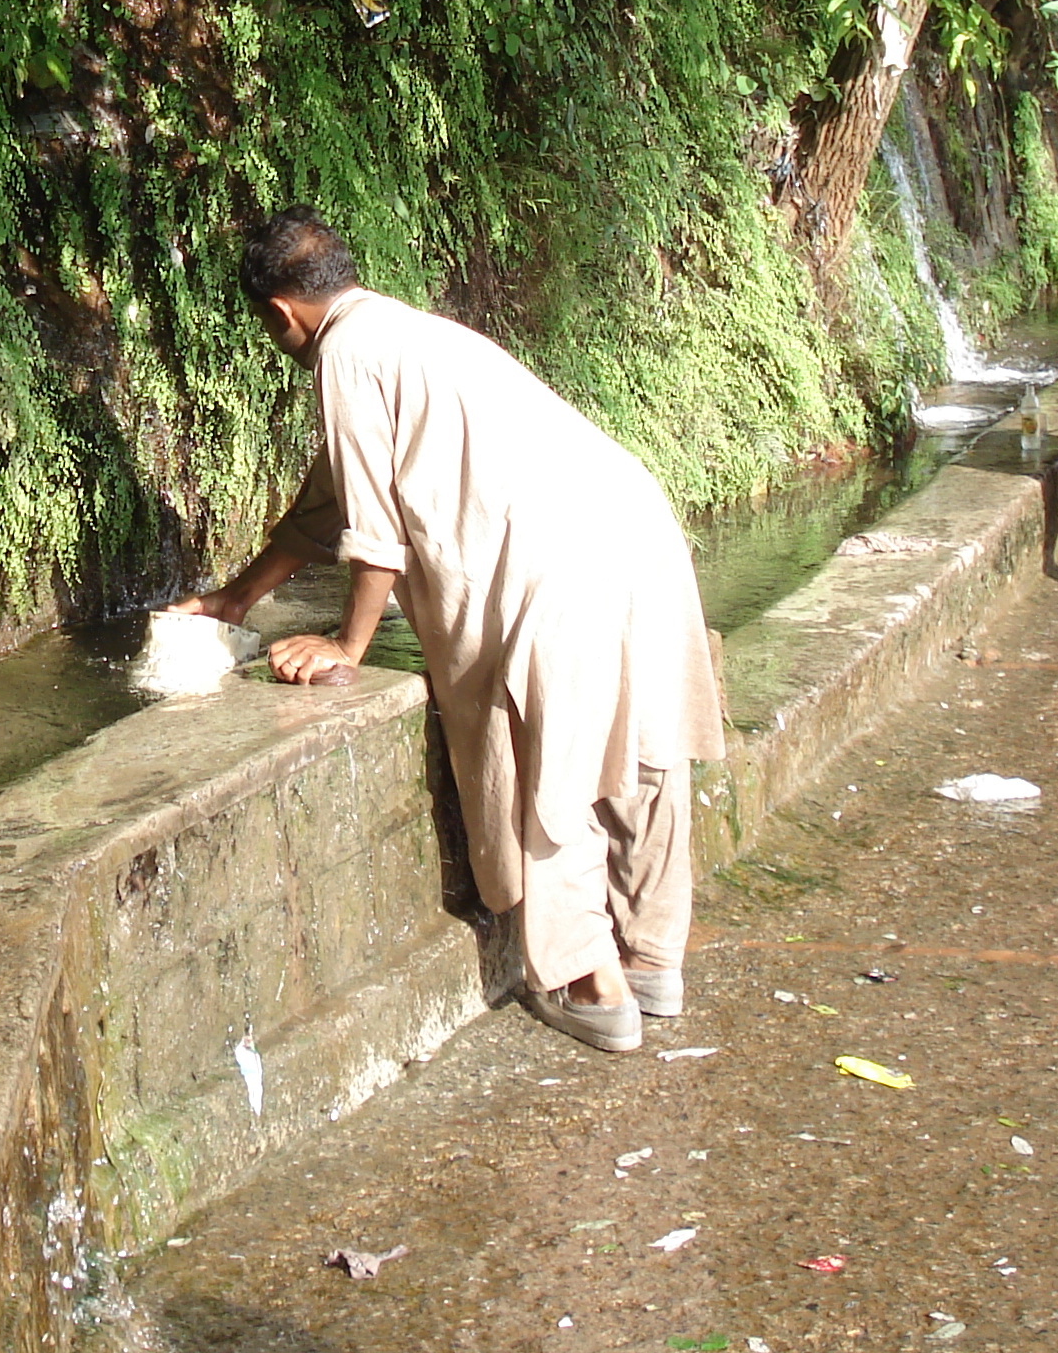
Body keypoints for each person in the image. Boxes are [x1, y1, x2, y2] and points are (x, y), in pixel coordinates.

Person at [169, 207, 725, 1055]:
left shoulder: (345, 358)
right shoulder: (408, 331)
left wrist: (347, 646)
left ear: (281, 313)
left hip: (556, 562)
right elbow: (327, 501)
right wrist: (237, 598)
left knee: (551, 766)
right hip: (635, 525)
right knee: (643, 753)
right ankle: (654, 961)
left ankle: (591, 983)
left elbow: (373, 532)